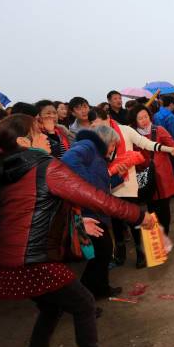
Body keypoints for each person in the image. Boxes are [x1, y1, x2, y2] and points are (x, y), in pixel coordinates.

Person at [0, 113, 155, 347]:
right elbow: (93, 197)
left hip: (8, 262)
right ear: (24, 142)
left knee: (52, 307)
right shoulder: (45, 167)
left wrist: (78, 220)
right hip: (35, 259)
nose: (48, 138)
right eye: (40, 133)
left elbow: (36, 209)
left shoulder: (8, 170)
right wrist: (138, 216)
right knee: (84, 303)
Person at [89, 108, 174, 268]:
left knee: (133, 219)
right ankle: (120, 254)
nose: (99, 128)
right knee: (116, 223)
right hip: (109, 185)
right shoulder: (94, 137)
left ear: (108, 118)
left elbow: (146, 144)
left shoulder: (125, 131)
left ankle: (140, 254)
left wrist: (169, 149)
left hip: (127, 183)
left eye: (100, 123)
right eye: (94, 125)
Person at [61, 126, 124, 298]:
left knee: (103, 253)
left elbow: (103, 182)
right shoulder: (88, 145)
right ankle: (85, 297)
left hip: (96, 209)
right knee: (100, 254)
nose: (113, 149)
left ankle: (101, 289)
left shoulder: (97, 154)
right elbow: (67, 161)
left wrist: (119, 174)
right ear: (106, 141)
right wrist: (88, 189)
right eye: (113, 145)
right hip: (87, 211)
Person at [128, 104, 174, 238]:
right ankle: (156, 238)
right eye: (140, 118)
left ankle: (164, 235)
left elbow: (172, 144)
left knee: (164, 209)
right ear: (135, 121)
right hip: (145, 177)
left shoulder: (159, 130)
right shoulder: (132, 134)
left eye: (145, 116)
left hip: (162, 176)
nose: (144, 120)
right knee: (151, 208)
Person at [154, 96, 174, 179]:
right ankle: (173, 189)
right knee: (173, 168)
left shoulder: (156, 115)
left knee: (163, 169)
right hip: (171, 146)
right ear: (171, 104)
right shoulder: (171, 117)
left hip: (159, 146)